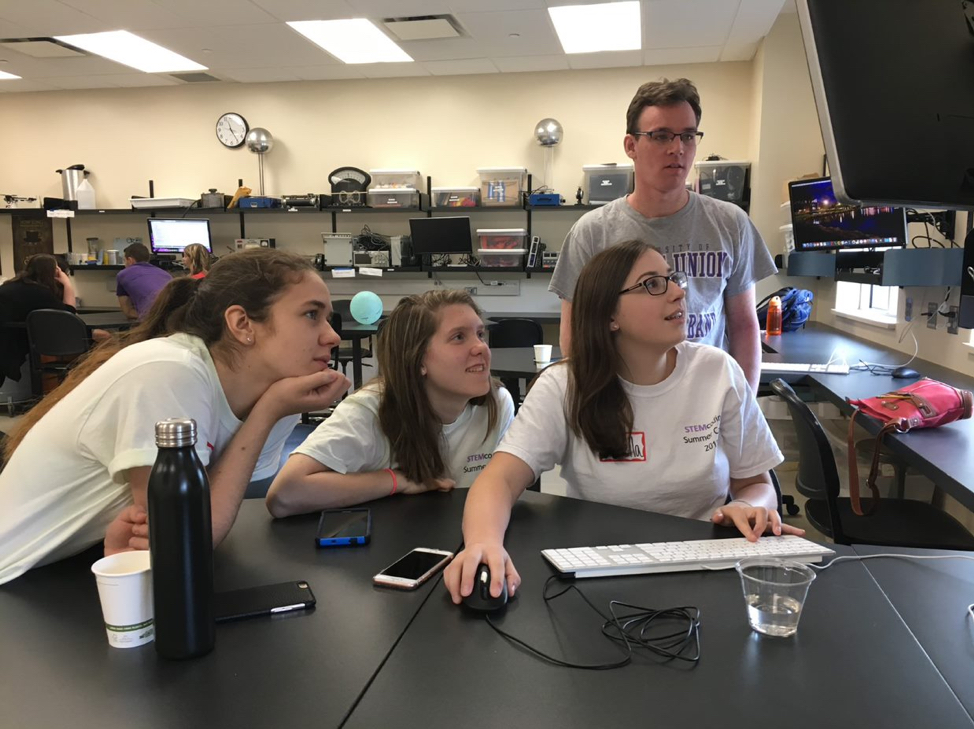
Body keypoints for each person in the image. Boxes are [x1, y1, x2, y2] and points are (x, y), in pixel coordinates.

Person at [445, 241, 799, 604]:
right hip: (599, 570)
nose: (677, 292)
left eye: (672, 279)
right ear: (608, 315)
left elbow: (756, 481)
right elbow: (499, 480)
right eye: (652, 284)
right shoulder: (565, 384)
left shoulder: (717, 370)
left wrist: (748, 505)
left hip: (701, 564)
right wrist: (483, 543)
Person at [0, 249, 351, 585]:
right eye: (311, 315)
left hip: (81, 570)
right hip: (17, 579)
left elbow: (198, 519)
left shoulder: (276, 390)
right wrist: (269, 410)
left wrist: (272, 408)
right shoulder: (170, 370)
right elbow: (186, 539)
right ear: (242, 323)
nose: (332, 336)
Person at [549, 78, 776, 392]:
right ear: (631, 146)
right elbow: (576, 334)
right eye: (661, 136)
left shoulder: (731, 223)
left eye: (687, 135)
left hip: (707, 401)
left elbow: (744, 325)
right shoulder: (592, 233)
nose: (677, 148)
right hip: (623, 402)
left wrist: (744, 406)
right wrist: (595, 406)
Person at [266, 289, 515, 516]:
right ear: (418, 360)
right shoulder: (369, 410)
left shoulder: (497, 405)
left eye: (480, 334)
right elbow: (285, 495)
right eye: (459, 337)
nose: (480, 347)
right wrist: (399, 480)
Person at [0, 253, 78, 387]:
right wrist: (67, 284)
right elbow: (68, 315)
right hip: (8, 344)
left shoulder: (9, 286)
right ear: (53, 273)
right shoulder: (40, 292)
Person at [116, 242, 172, 320]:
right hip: (174, 317)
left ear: (130, 260)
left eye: (124, 260)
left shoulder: (123, 274)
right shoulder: (165, 274)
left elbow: (128, 312)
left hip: (153, 319)